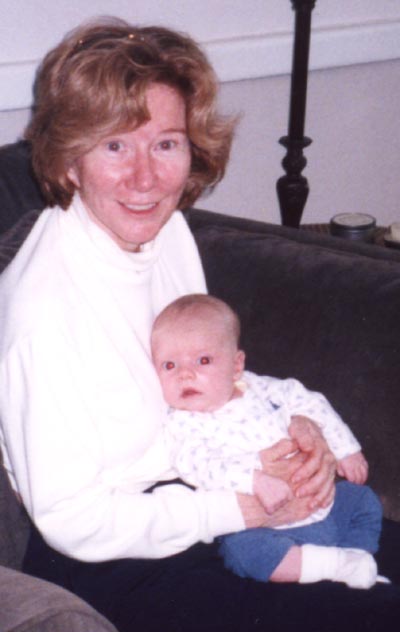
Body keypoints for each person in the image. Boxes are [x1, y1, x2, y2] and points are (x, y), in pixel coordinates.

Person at [0, 16, 398, 632]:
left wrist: (298, 434)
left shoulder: (165, 234)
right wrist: (242, 506)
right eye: (114, 146)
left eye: (165, 144)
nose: (145, 178)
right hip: (116, 550)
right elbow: (72, 521)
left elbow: (201, 375)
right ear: (70, 161)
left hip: (212, 485)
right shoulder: (42, 314)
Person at [151, 293, 386, 590]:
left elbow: (307, 402)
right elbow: (197, 465)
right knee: (243, 552)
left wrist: (345, 449)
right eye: (169, 365)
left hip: (323, 504)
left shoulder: (260, 387)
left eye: (203, 360)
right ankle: (334, 565)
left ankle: (355, 556)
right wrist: (253, 479)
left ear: (236, 365)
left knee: (362, 500)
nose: (185, 375)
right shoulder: (183, 423)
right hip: (266, 526)